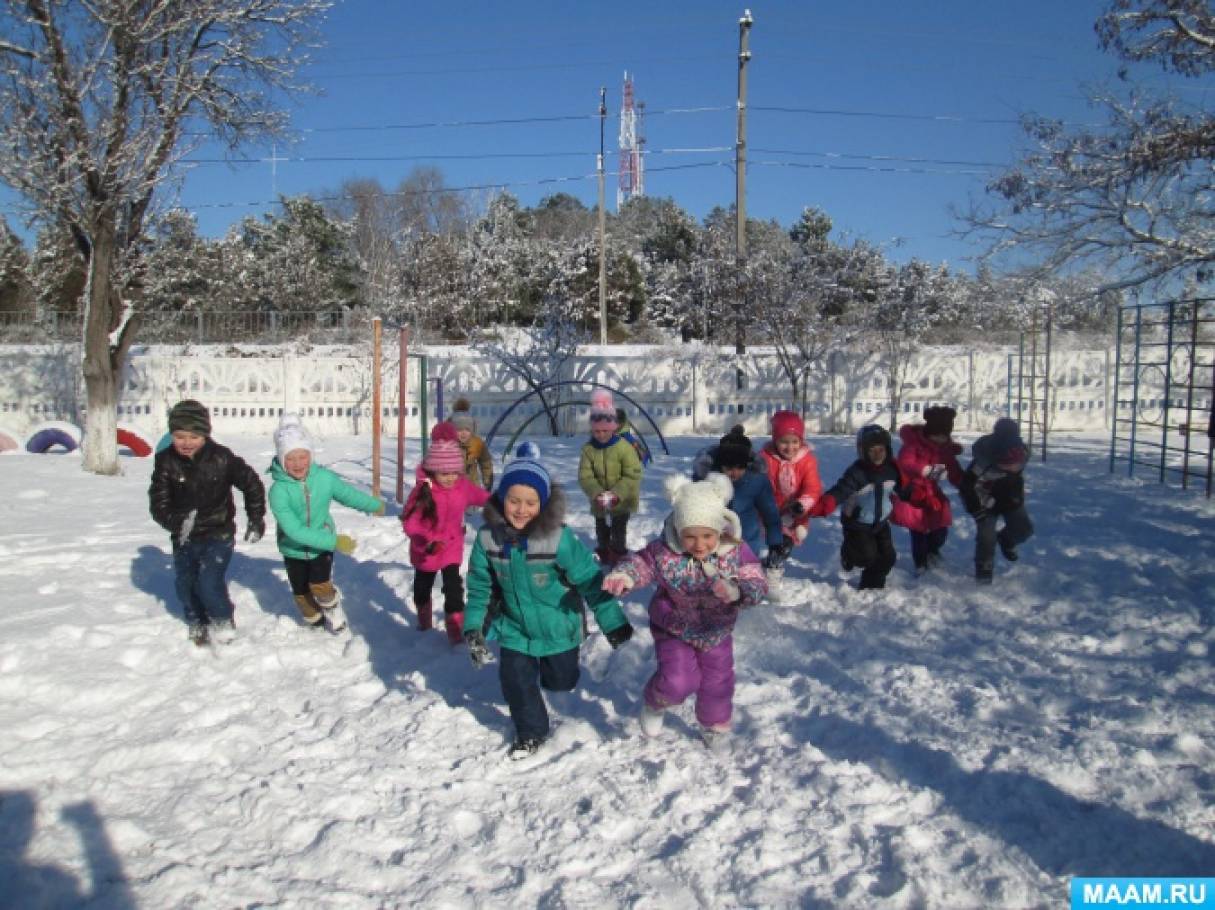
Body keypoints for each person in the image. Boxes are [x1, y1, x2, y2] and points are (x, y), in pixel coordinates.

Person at [463, 443, 634, 760]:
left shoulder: (558, 538)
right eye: (514, 500)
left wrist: (612, 620)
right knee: (515, 679)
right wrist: (474, 626)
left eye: (530, 502)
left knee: (561, 680)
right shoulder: (488, 539)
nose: (520, 509)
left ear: (542, 505)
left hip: (558, 626)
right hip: (515, 628)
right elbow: (480, 586)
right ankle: (531, 732)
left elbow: (590, 579)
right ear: (502, 499)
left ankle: (556, 678)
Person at [602, 473, 768, 754]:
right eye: (690, 536)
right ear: (678, 531)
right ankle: (656, 702)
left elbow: (756, 581)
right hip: (673, 627)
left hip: (716, 630)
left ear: (720, 529)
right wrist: (625, 576)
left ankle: (713, 726)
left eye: (707, 536)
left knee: (718, 682)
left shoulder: (735, 552)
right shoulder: (665, 551)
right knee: (678, 681)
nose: (699, 544)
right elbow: (640, 563)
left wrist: (738, 591)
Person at [148, 399, 265, 646]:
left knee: (209, 581)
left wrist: (256, 518)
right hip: (184, 535)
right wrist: (175, 522)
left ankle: (222, 620)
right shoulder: (165, 461)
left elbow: (251, 483)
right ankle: (196, 620)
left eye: (194, 436)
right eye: (180, 436)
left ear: (205, 434)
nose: (187, 443)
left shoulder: (221, 458)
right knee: (186, 584)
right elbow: (158, 503)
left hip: (218, 532)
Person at [267, 413, 384, 633]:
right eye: (290, 459)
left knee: (320, 585)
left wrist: (374, 505)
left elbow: (348, 495)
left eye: (303, 456)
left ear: (311, 455)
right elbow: (293, 530)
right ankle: (314, 621)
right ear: (282, 461)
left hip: (321, 546)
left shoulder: (324, 478)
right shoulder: (278, 491)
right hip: (293, 549)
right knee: (301, 593)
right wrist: (334, 541)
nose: (298, 464)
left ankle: (333, 608)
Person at [402, 421, 492, 640]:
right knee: (422, 588)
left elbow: (482, 497)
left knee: (454, 588)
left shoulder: (462, 485)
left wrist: (502, 503)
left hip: (451, 548)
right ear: (433, 471)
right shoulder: (423, 491)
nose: (450, 478)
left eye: (454, 472)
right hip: (426, 551)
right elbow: (410, 523)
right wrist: (427, 541)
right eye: (444, 473)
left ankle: (455, 627)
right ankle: (424, 617)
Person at [809, 424, 914, 591]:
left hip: (881, 521)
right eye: (872, 450)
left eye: (881, 449)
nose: (877, 454)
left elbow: (905, 489)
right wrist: (824, 504)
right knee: (866, 556)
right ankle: (848, 553)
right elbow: (841, 490)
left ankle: (872, 584)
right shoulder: (857, 472)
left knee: (888, 557)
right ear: (863, 451)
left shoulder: (892, 470)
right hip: (857, 523)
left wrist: (917, 495)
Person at [694, 425, 787, 571]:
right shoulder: (707, 480)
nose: (734, 472)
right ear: (720, 464)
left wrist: (775, 542)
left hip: (748, 544)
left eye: (740, 467)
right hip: (715, 545)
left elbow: (770, 513)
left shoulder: (757, 481)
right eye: (729, 467)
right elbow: (692, 509)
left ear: (747, 464)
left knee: (745, 582)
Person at [960, 417, 1033, 584]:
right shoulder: (982, 463)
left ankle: (1007, 540)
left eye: (1016, 465)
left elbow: (1017, 471)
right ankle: (984, 571)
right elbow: (966, 488)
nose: (1012, 468)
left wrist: (1017, 494)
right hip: (984, 502)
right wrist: (975, 509)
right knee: (986, 537)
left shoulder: (1024, 453)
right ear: (997, 458)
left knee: (1024, 529)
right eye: (1007, 465)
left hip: (1010, 498)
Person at [895, 405, 964, 574]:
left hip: (933, 493)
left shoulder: (945, 449)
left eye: (944, 436)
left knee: (941, 526)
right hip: (912, 493)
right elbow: (905, 462)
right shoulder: (914, 444)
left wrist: (964, 483)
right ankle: (920, 564)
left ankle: (933, 551)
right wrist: (924, 470)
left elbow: (953, 470)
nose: (941, 440)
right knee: (918, 531)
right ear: (930, 432)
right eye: (937, 435)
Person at [578, 388, 642, 565]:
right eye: (596, 431)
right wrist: (596, 492)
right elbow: (585, 475)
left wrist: (617, 493)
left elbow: (633, 473)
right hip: (599, 499)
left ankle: (618, 554)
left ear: (613, 428)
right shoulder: (588, 450)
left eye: (605, 431)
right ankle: (604, 551)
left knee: (618, 528)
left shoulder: (624, 448)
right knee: (601, 528)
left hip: (622, 499)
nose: (601, 435)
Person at [759, 409, 823, 547]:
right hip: (769, 509)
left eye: (795, 441)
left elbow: (813, 487)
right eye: (784, 442)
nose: (790, 447)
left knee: (788, 538)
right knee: (766, 539)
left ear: (801, 441)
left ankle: (778, 558)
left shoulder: (807, 461)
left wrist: (802, 504)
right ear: (775, 440)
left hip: (795, 511)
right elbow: (757, 482)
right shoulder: (765, 458)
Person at [450, 397, 494, 491]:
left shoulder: (476, 443)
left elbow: (485, 462)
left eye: (467, 430)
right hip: (452, 488)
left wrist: (488, 481)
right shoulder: (448, 445)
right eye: (459, 430)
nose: (464, 433)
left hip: (472, 486)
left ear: (473, 430)